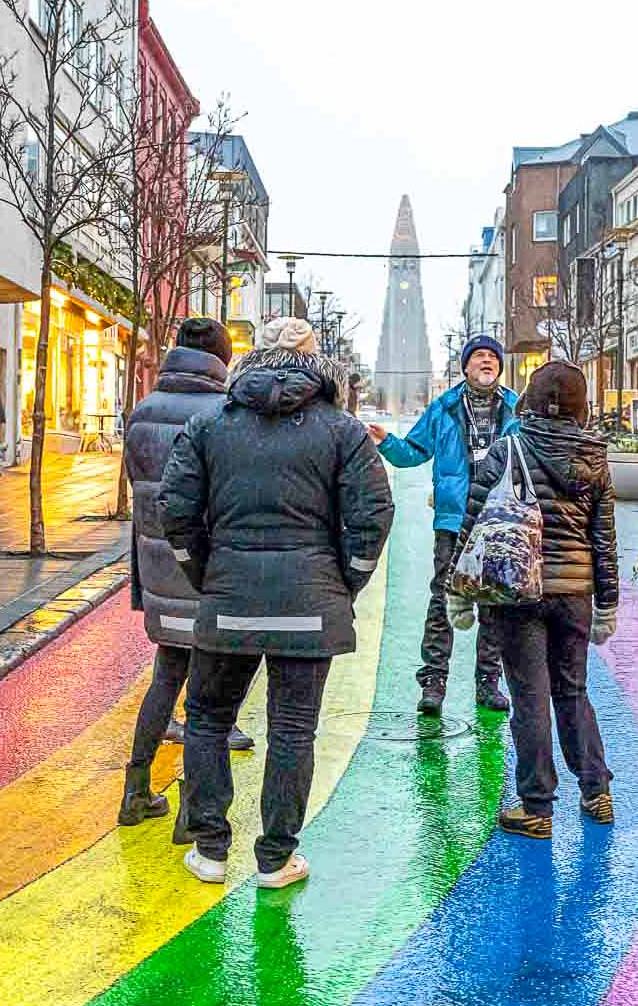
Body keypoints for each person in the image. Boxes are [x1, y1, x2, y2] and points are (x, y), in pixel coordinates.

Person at [160, 317, 394, 888]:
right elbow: (373, 514)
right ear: (316, 363)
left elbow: (175, 510)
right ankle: (276, 857)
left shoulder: (209, 424)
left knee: (209, 720)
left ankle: (211, 849)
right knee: (293, 729)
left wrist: (204, 572)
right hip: (309, 603)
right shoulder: (341, 431)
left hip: (229, 597)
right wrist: (345, 581)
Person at [449, 361, 619, 839]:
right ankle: (596, 789)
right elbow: (603, 540)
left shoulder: (509, 448)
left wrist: (457, 592)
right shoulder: (595, 459)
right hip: (575, 593)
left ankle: (537, 806)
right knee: (573, 689)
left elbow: (474, 522)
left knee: (529, 697)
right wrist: (608, 602)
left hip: (517, 590)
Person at [116, 318, 255, 828]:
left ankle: (135, 790)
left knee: (166, 678)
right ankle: (193, 808)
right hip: (207, 568)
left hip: (157, 567)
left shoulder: (144, 410)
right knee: (209, 697)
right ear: (222, 360)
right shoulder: (223, 414)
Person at [368, 334, 518, 717]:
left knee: (495, 603)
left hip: (498, 519)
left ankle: (488, 682)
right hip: (453, 520)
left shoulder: (516, 408)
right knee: (443, 602)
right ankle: (433, 683)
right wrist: (387, 443)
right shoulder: (445, 407)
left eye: (492, 358)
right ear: (465, 366)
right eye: (478, 357)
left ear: (499, 367)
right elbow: (414, 452)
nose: (486, 362)